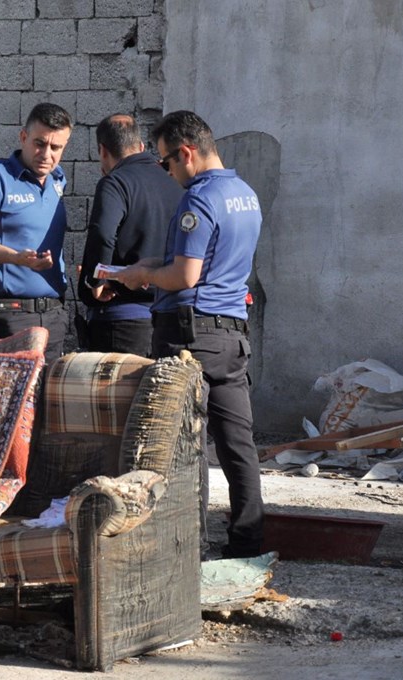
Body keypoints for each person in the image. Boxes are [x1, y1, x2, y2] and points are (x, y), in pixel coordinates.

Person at [109, 110, 263, 559]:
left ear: (187, 153)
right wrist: (144, 268)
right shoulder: (244, 194)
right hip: (232, 336)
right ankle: (248, 543)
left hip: (188, 337)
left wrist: (144, 278)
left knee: (176, 447)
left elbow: (186, 275)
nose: (167, 173)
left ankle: (182, 546)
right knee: (238, 445)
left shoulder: (198, 200)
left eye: (165, 163)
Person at [0, 102, 73, 361]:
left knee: (46, 399)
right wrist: (15, 258)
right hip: (10, 316)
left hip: (53, 316)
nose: (47, 154)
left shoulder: (57, 181)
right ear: (23, 137)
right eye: (39, 143)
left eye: (56, 148)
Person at [77, 113, 184, 355]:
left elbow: (103, 234)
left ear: (103, 151)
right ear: (141, 146)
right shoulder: (175, 180)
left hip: (122, 321)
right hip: (171, 318)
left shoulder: (115, 182)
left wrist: (96, 280)